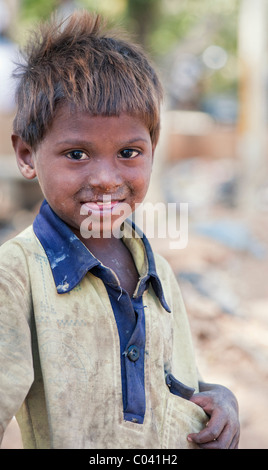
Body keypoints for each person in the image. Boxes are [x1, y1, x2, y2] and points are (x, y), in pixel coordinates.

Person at [0, 11, 239, 449]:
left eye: (129, 152)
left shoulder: (159, 273)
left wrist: (219, 400)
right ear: (27, 154)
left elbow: (176, 386)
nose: (107, 178)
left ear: (153, 150)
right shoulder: (16, 275)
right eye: (77, 154)